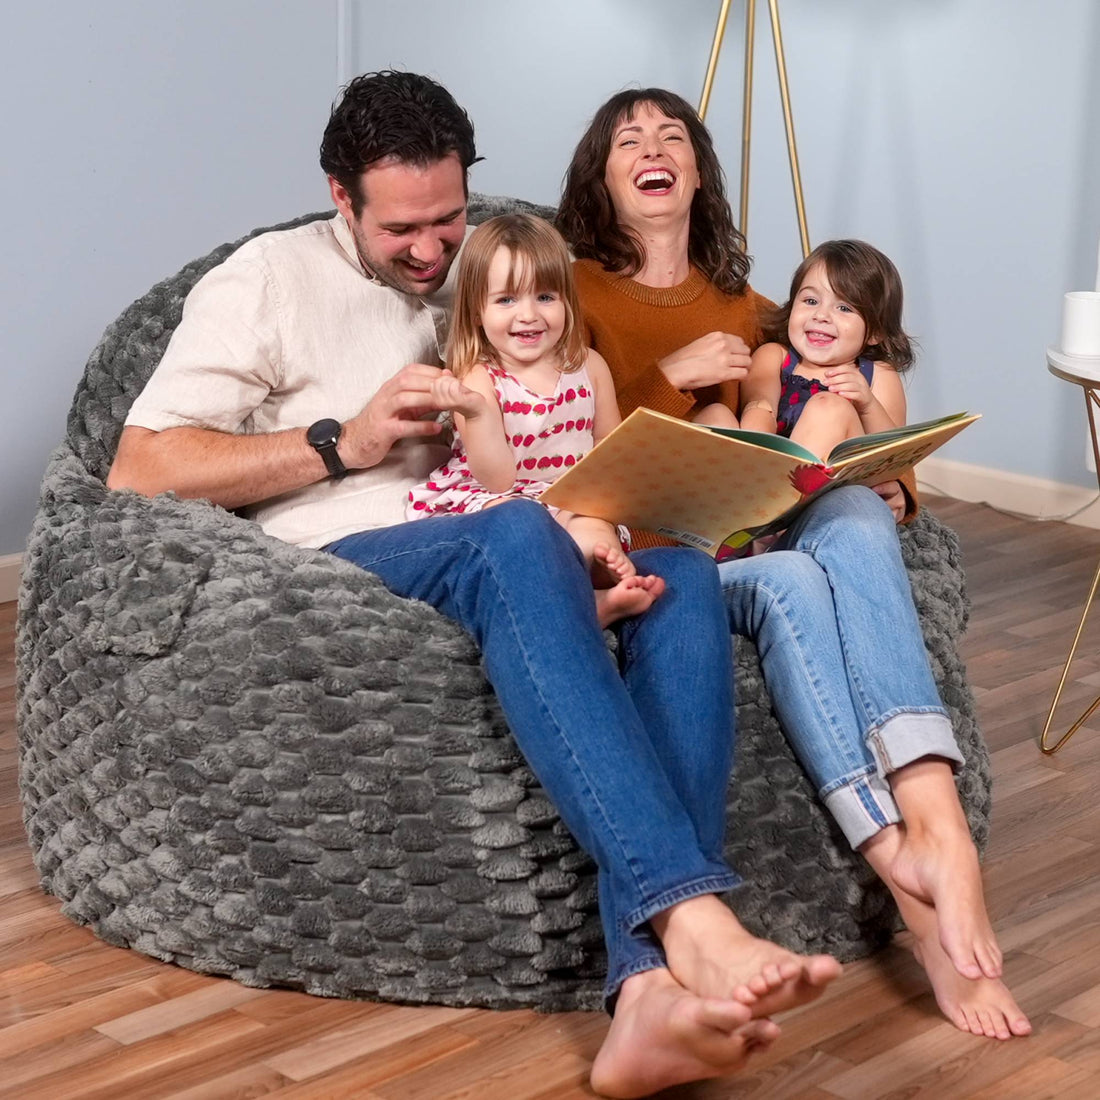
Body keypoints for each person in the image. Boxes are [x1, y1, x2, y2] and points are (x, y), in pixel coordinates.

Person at [106, 71, 844, 1098]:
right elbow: (138, 467)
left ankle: (645, 996)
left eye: (448, 218)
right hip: (368, 552)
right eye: (400, 228)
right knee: (513, 535)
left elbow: (560, 404)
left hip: (514, 529)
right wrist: (340, 441)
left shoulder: (484, 268)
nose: (428, 249)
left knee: (673, 564)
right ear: (339, 197)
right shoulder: (264, 281)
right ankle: (690, 916)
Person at [558, 86, 1031, 1042]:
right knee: (796, 580)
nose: (652, 146)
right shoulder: (566, 289)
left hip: (761, 525)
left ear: (697, 169)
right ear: (601, 175)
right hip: (669, 550)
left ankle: (932, 821)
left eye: (672, 135)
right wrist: (669, 380)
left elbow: (844, 364)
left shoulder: (750, 301)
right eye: (627, 138)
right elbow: (550, 450)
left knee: (855, 510)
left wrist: (895, 477)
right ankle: (909, 881)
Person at [407, 213, 661, 627]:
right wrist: (476, 413)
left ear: (566, 302)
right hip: (501, 501)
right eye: (506, 300)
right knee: (521, 525)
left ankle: (596, 576)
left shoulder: (589, 367)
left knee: (595, 524)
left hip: (566, 499)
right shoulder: (478, 379)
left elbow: (610, 450)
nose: (529, 315)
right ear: (476, 312)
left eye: (545, 297)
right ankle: (588, 605)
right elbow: (497, 480)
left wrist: (614, 500)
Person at [740, 239, 911, 459]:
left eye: (844, 308)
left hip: (838, 481)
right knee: (715, 414)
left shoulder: (879, 375)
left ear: (875, 332)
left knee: (829, 407)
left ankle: (784, 489)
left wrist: (868, 404)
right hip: (771, 467)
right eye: (811, 301)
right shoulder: (774, 356)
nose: (821, 316)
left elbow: (896, 455)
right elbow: (758, 409)